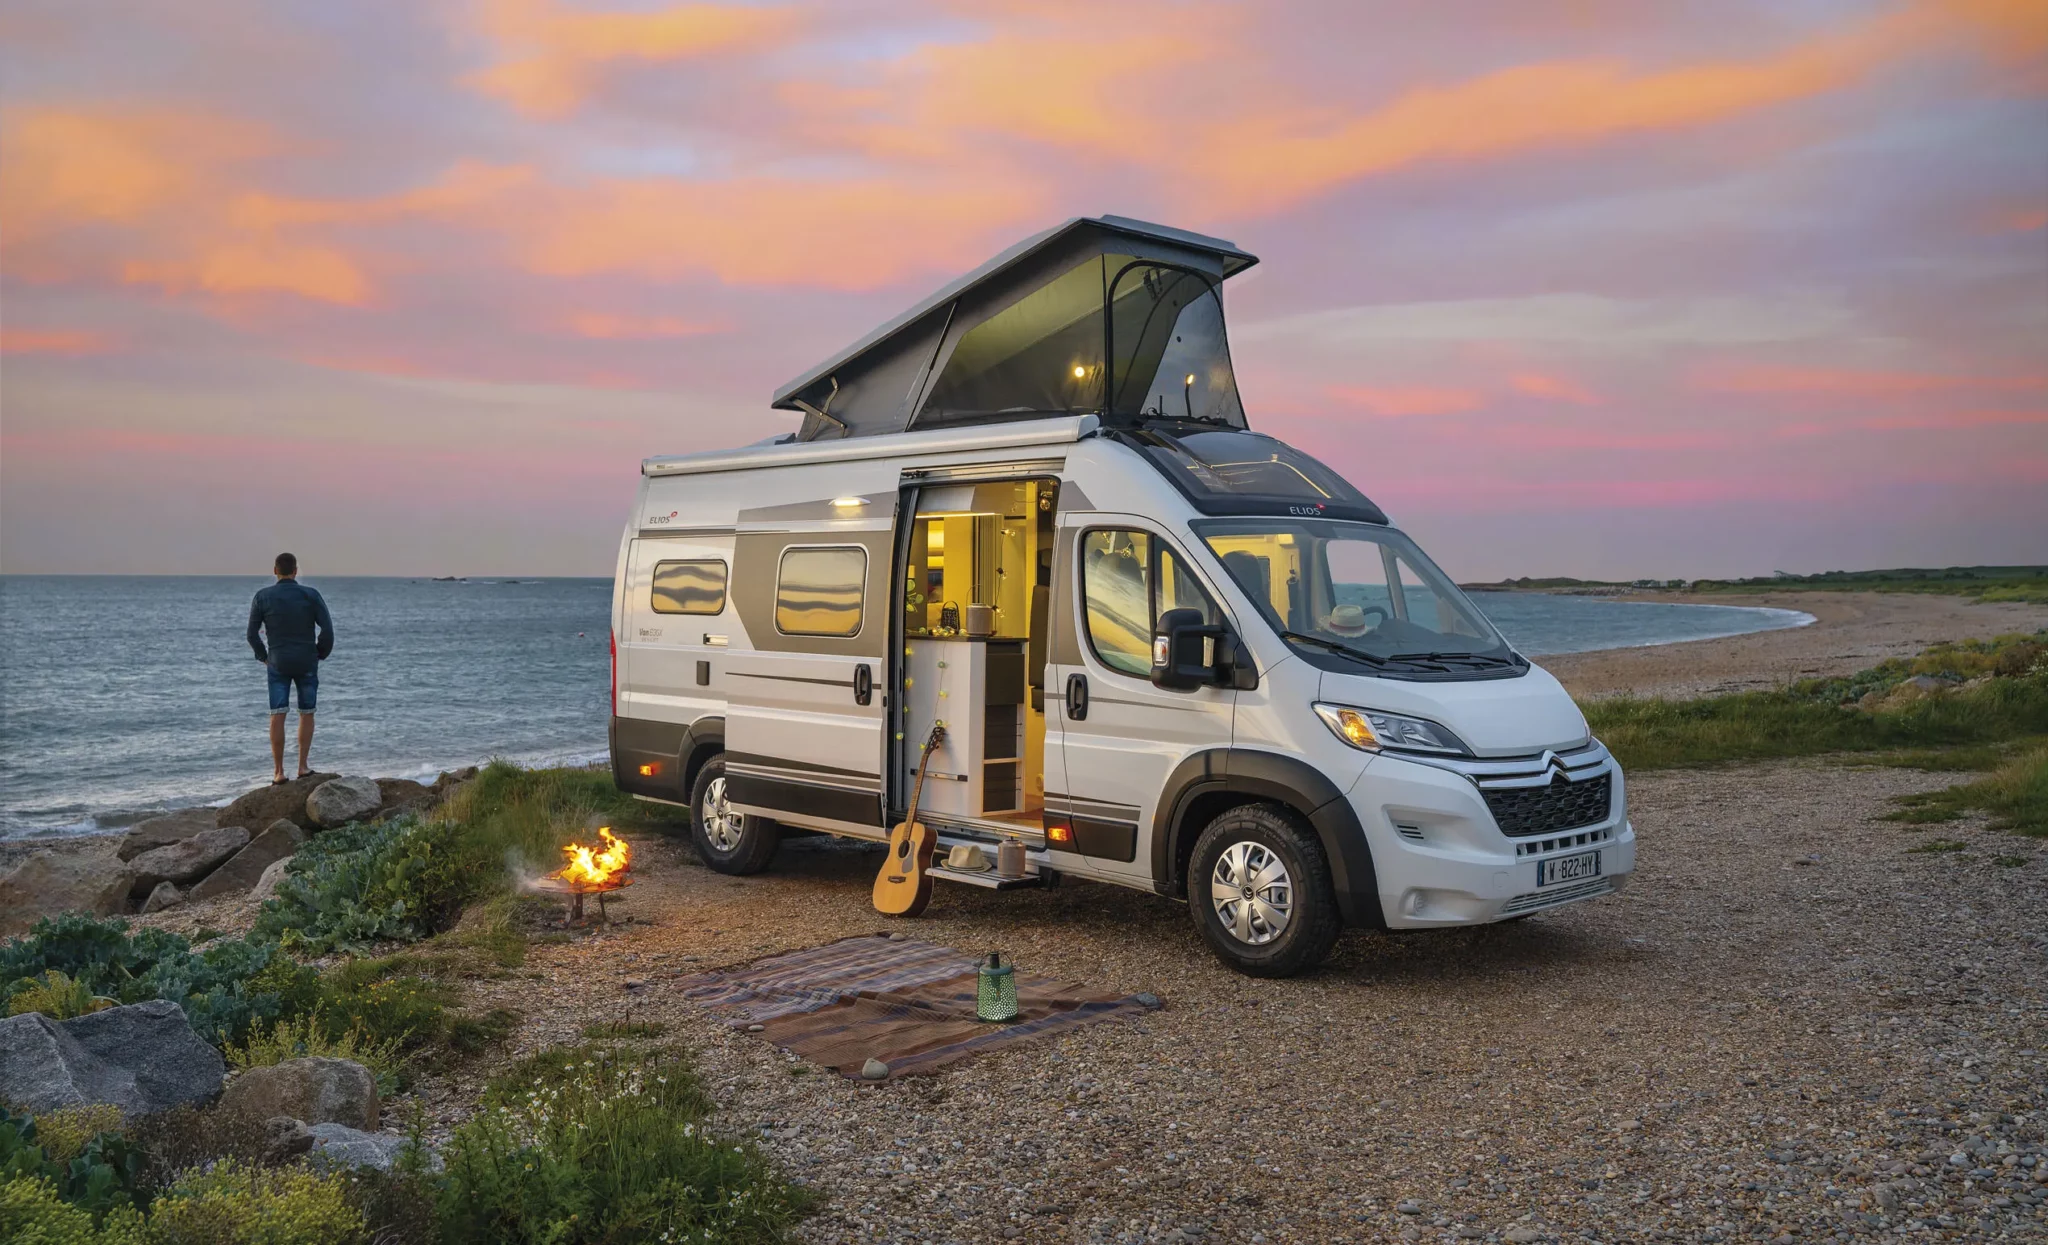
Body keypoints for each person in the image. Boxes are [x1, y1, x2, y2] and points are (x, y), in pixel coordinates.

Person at [247, 552, 333, 784]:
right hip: (306, 660)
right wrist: (320, 653)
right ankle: (303, 766)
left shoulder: (262, 596)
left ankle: (278, 772)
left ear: (275, 570)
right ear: (296, 571)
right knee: (307, 713)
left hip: (277, 661)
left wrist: (263, 656)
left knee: (278, 714)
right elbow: (327, 630)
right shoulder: (311, 595)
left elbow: (252, 634)